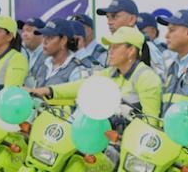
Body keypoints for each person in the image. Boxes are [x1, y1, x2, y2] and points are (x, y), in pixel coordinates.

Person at [32, 26, 163, 119]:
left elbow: (150, 122)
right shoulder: (110, 73)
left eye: (116, 47)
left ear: (131, 51)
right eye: (109, 47)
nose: (110, 51)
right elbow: (82, 86)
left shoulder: (146, 77)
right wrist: (48, 90)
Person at [28, 19, 89, 97]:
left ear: (63, 40)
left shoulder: (77, 70)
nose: (44, 41)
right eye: (44, 36)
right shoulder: (43, 66)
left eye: (50, 37)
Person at [19, 17, 47, 87]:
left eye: (29, 30)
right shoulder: (22, 53)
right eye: (23, 31)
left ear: (42, 33)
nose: (24, 34)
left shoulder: (49, 56)